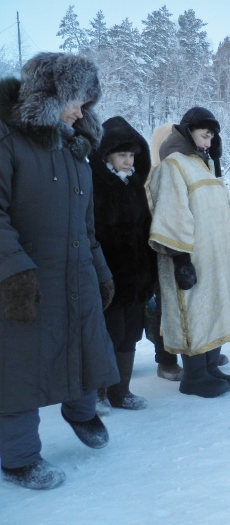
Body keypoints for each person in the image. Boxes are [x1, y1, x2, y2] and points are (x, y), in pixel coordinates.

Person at [0, 52, 119, 490]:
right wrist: (14, 271)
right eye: (75, 101)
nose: (80, 112)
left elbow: (87, 225)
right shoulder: (8, 141)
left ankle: (81, 412)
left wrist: (101, 271)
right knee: (20, 366)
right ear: (48, 96)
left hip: (76, 271)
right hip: (27, 277)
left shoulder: (75, 150)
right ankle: (19, 459)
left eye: (87, 103)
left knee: (84, 342)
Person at [149, 107, 230, 398]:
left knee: (214, 308)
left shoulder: (204, 165)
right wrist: (181, 260)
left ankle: (211, 367)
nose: (208, 141)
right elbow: (171, 212)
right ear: (188, 132)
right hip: (191, 257)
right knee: (193, 310)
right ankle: (195, 375)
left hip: (213, 258)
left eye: (212, 137)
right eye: (204, 134)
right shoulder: (174, 164)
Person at [90, 116, 158, 414]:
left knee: (131, 333)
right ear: (106, 155)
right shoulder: (96, 186)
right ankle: (98, 392)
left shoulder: (134, 186)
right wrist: (100, 273)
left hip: (136, 277)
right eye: (121, 155)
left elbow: (145, 228)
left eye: (131, 155)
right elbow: (91, 232)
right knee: (109, 333)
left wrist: (150, 272)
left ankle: (121, 392)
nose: (128, 161)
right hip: (109, 275)